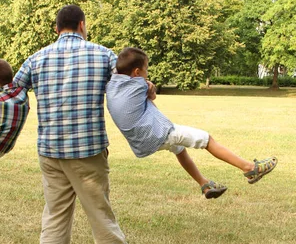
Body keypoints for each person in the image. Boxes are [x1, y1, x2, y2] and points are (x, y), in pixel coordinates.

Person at [14, 4, 132, 244]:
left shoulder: (35, 59)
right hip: (88, 151)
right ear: (82, 25)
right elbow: (129, 82)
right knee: (101, 216)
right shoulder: (104, 54)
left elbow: (13, 93)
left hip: (50, 151)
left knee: (54, 218)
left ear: (57, 29)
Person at [106, 47, 278, 199]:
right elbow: (152, 93)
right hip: (158, 133)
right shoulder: (139, 84)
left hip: (142, 141)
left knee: (180, 150)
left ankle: (204, 184)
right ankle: (249, 168)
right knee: (206, 139)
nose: (147, 74)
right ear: (136, 72)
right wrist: (148, 85)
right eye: (146, 70)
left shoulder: (112, 84)